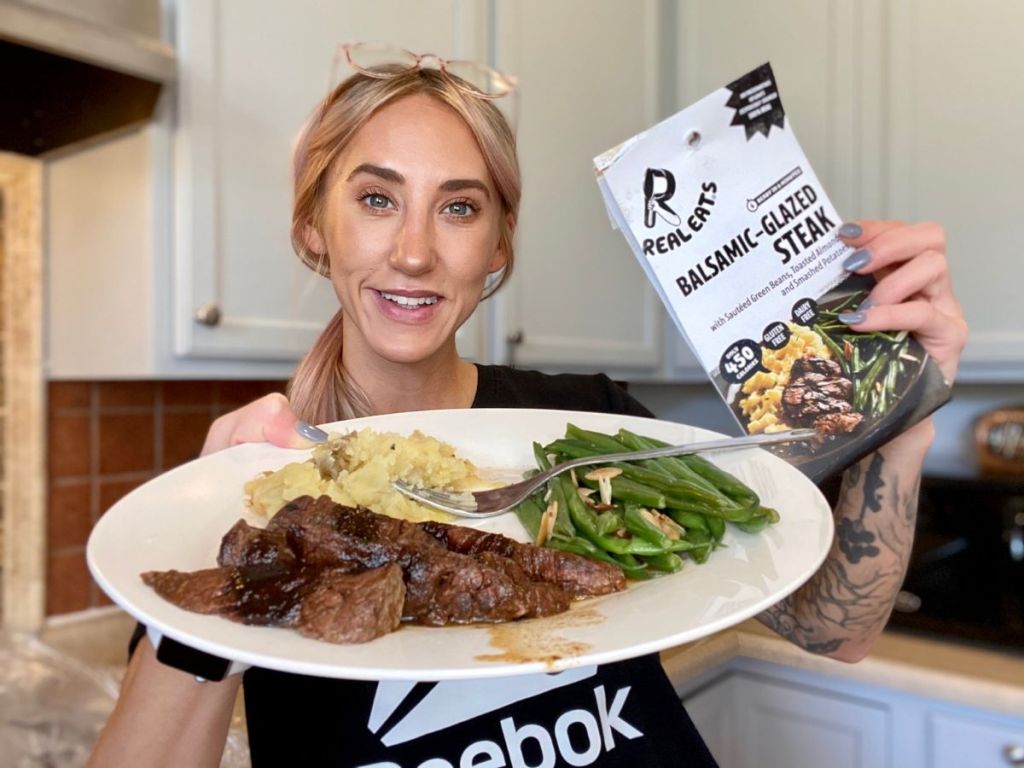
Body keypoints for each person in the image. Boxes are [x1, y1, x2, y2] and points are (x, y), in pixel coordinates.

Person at [88, 45, 967, 768]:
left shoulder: (592, 426)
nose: (415, 251)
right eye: (376, 198)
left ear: (498, 243)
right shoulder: (259, 484)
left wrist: (901, 418)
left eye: (459, 208)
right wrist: (222, 559)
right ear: (316, 226)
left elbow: (833, 630)